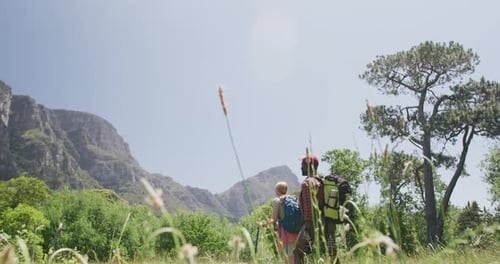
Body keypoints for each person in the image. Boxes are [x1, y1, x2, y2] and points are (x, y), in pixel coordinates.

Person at [294, 153, 340, 264]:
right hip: (329, 222)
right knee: (332, 252)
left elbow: (309, 210)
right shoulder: (322, 182)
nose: (301, 167)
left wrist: (307, 229)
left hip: (313, 224)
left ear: (310, 166)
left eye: (303, 165)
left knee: (298, 252)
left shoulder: (307, 183)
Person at [271, 181, 298, 264]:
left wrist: (264, 224)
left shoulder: (277, 201)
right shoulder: (293, 198)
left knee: (288, 257)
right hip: (296, 230)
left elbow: (273, 219)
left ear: (277, 191)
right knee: (293, 255)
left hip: (285, 232)